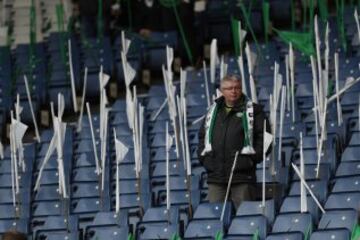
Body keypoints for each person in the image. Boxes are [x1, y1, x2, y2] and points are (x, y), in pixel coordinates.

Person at [197, 75, 267, 209]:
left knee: (244, 218)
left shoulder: (254, 111)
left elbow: (265, 139)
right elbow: (202, 137)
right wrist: (205, 159)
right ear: (222, 91)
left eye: (237, 88)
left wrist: (251, 159)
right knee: (216, 219)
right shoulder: (213, 112)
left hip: (242, 177)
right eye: (229, 88)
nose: (233, 91)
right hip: (216, 177)